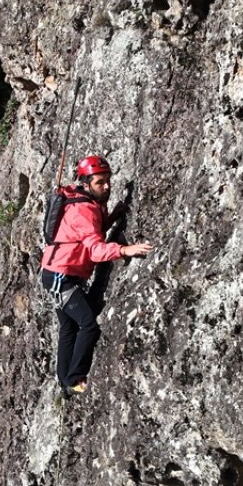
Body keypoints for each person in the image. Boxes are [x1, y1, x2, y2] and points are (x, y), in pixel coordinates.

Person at [39, 155, 153, 394]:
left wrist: (112, 217)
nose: (107, 186)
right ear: (85, 183)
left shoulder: (82, 201)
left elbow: (89, 234)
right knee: (88, 325)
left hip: (55, 271)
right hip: (63, 276)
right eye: (101, 182)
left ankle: (64, 381)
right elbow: (96, 249)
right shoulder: (84, 209)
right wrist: (124, 250)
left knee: (68, 327)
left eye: (108, 180)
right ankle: (74, 379)